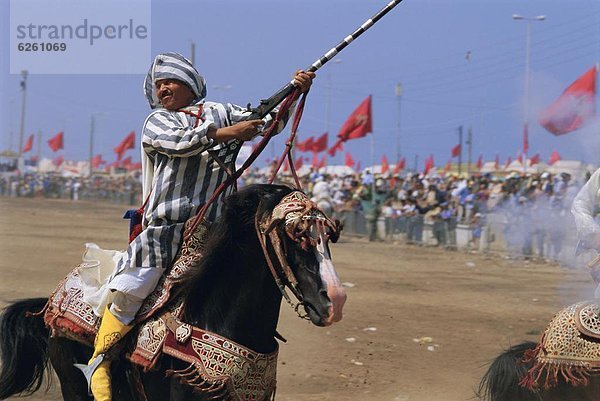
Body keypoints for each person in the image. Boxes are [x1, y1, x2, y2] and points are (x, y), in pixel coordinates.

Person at [81, 52, 314, 401]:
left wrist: (294, 93)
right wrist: (229, 132)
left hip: (214, 232)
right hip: (163, 233)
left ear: (190, 85)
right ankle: (99, 368)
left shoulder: (221, 110)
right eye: (158, 84)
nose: (162, 88)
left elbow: (266, 121)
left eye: (170, 82)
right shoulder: (158, 120)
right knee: (130, 293)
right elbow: (178, 144)